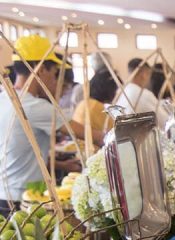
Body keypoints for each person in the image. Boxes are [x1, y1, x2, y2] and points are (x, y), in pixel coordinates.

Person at [0, 35, 104, 217]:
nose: (55, 81)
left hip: (4, 193)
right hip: (23, 200)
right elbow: (92, 136)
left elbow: (20, 152)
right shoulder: (36, 107)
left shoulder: (4, 99)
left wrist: (62, 164)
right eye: (54, 73)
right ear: (40, 71)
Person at [115, 58, 169, 130]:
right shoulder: (143, 94)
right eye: (148, 74)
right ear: (143, 74)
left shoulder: (120, 92)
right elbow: (164, 121)